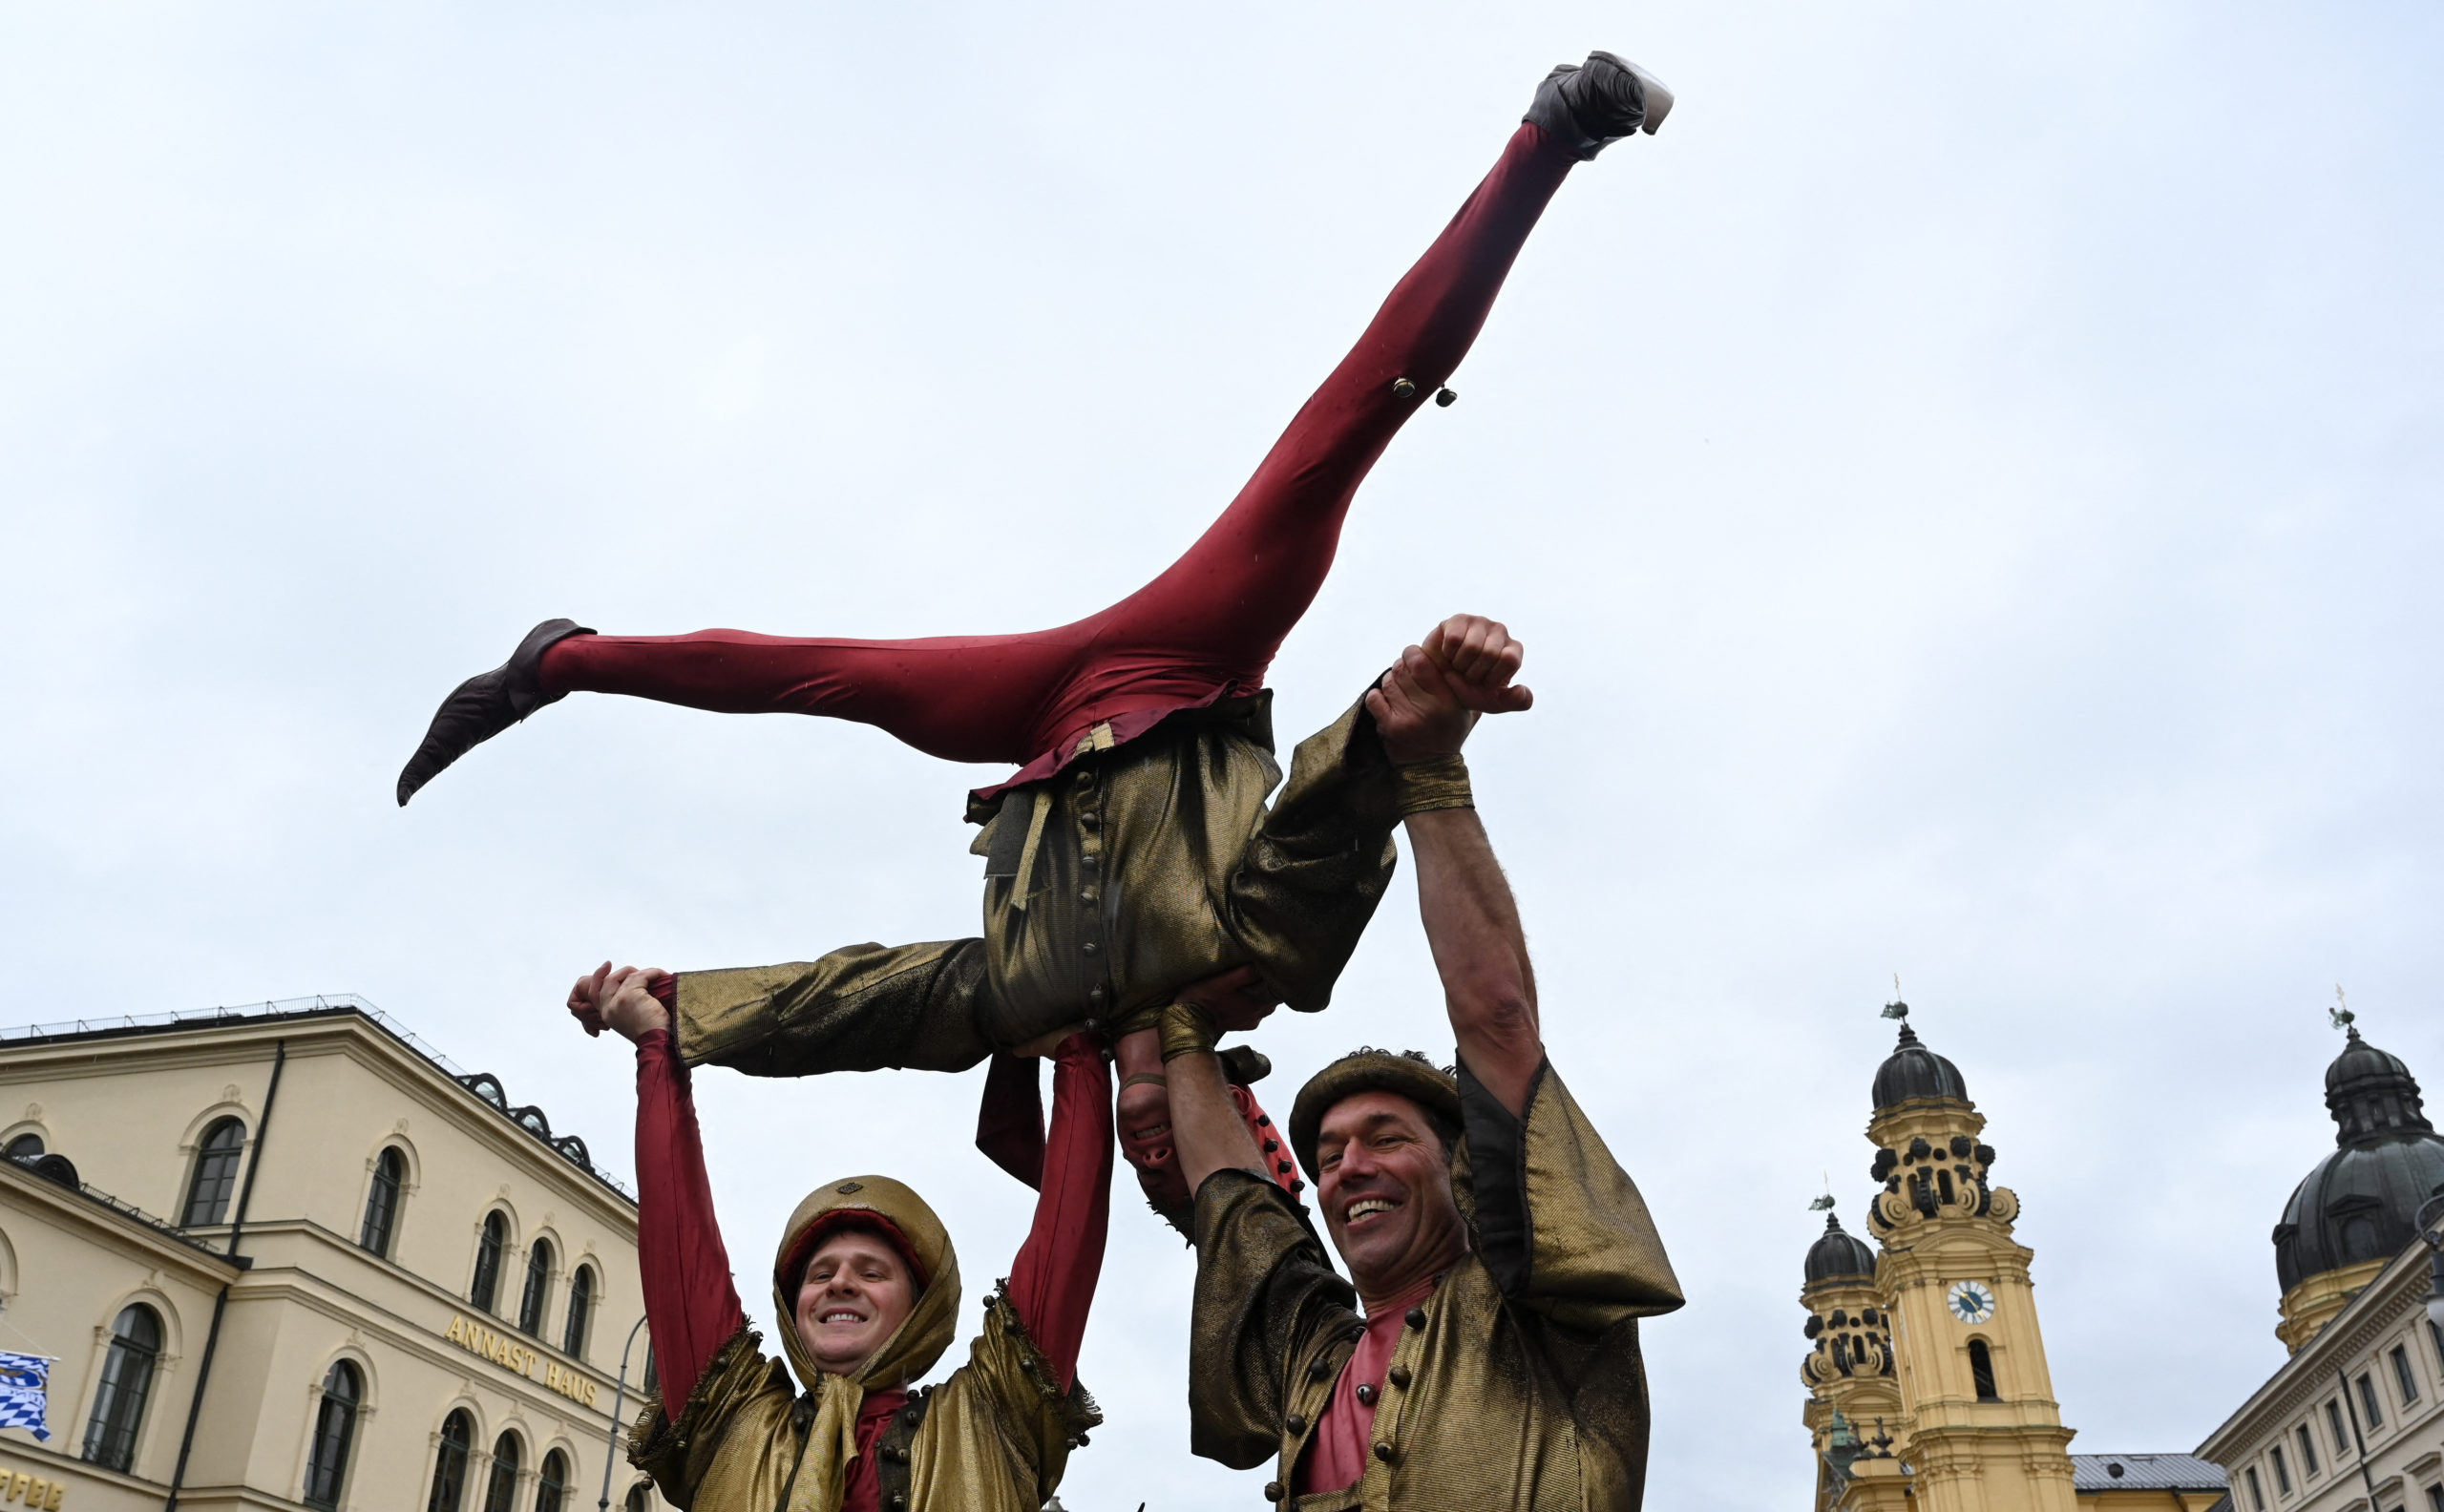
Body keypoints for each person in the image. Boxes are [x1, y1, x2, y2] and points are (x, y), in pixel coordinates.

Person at [398, 53, 1675, 1189]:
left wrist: (673, 1007)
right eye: (1185, 1153)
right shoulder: (1269, 957)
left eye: (1145, 1162)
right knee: (1344, 428)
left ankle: (556, 661)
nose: (1152, 1143)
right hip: (1188, 665)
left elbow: (849, 1005)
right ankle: (1555, 134)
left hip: (1044, 716)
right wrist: (1418, 710)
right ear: (1232, 1110)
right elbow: (1335, 816)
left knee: (830, 678)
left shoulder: (1013, 1005)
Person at [1158, 621, 1684, 1510]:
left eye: (1386, 1138)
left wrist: (1431, 773)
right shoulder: (1309, 1358)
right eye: (1327, 1158)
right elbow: (1233, 1203)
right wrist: (1179, 1031)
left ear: (1462, 1166)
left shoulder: (1539, 1316)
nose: (1348, 1166)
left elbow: (1500, 1022)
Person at [572, 961, 1113, 1512]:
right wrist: (657, 1047)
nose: (840, 1284)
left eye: (872, 1272)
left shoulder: (995, 1413)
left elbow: (1066, 1236)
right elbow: (679, 1244)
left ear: (921, 1310)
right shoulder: (730, 1417)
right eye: (820, 1273)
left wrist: (1077, 1051)